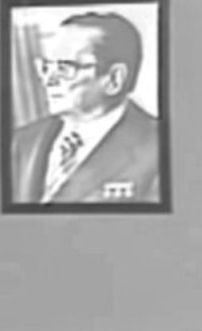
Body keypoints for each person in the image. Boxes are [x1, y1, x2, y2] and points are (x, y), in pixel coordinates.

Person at [11, 11, 160, 204]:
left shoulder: (159, 148)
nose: (48, 80)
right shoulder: (23, 141)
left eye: (64, 68)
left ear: (114, 79)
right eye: (46, 66)